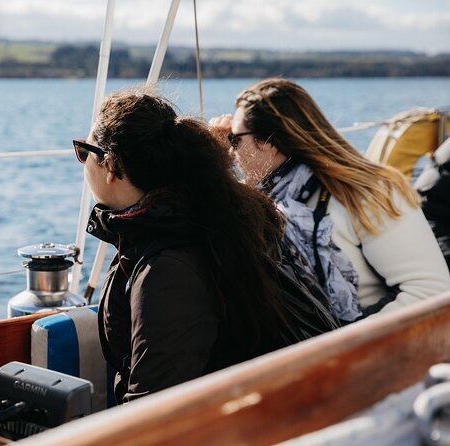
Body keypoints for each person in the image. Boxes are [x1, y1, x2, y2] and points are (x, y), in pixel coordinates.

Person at [75, 88, 335, 405]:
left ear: (112, 166)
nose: (83, 162)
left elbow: (156, 414)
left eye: (84, 152)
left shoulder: (169, 267)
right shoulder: (212, 217)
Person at [211, 78, 450, 321]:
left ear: (270, 142)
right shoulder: (263, 200)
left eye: (234, 139)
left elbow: (430, 291)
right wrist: (215, 156)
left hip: (354, 348)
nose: (232, 150)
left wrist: (341, 345)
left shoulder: (367, 192)